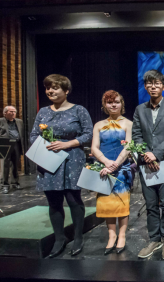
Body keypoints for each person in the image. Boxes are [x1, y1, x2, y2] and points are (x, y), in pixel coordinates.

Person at [29, 74, 93, 258]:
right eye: (48, 88)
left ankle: (78, 237)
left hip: (72, 158)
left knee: (73, 199)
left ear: (66, 90)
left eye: (55, 88)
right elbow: (33, 135)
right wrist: (43, 146)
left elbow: (88, 134)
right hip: (48, 159)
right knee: (54, 201)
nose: (50, 91)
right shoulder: (43, 112)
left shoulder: (78, 110)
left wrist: (67, 144)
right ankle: (59, 238)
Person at [133, 69, 164, 259]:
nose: (153, 86)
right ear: (145, 86)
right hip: (146, 163)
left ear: (163, 86)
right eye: (149, 83)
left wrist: (156, 154)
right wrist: (146, 154)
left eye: (157, 83)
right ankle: (154, 239)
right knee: (151, 204)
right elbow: (137, 135)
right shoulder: (140, 109)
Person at [91, 90, 133, 255]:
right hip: (103, 169)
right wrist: (107, 163)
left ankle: (121, 236)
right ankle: (111, 235)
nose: (113, 105)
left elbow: (128, 146)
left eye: (116, 101)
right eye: (109, 102)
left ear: (121, 103)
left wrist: (116, 164)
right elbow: (94, 147)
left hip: (122, 168)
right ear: (104, 105)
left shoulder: (128, 123)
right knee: (107, 205)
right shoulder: (99, 125)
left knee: (122, 204)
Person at [0, 106, 24, 194]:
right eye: (11, 111)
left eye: (14, 111)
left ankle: (15, 182)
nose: (13, 113)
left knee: (15, 164)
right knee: (5, 165)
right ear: (5, 113)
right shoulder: (1, 121)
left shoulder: (19, 121)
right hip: (5, 145)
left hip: (16, 144)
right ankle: (4, 185)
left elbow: (22, 134)